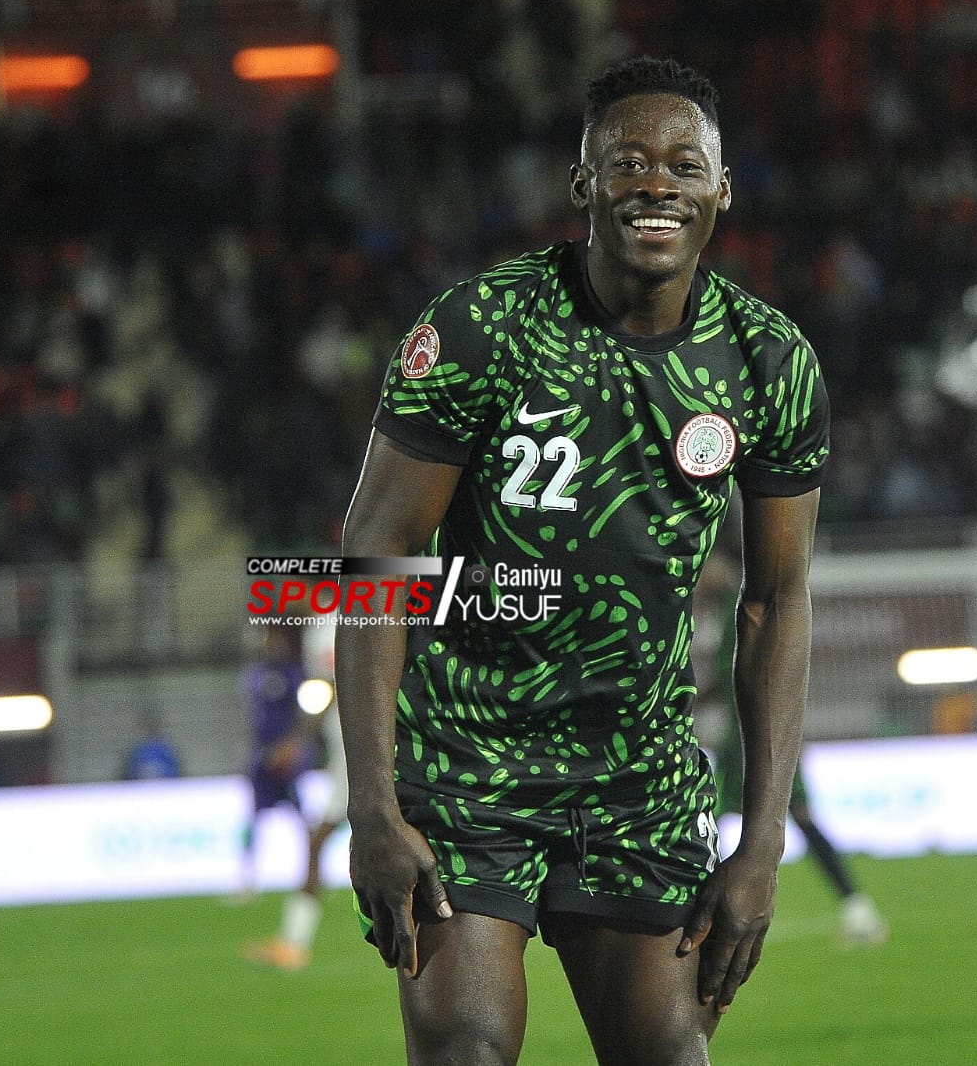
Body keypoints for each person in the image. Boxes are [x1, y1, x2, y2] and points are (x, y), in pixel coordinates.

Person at [337, 56, 830, 1065]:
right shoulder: (479, 327)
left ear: (721, 190)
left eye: (684, 165)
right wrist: (373, 806)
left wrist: (762, 844)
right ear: (583, 184)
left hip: (638, 776)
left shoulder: (768, 361)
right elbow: (377, 554)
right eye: (628, 161)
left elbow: (776, 600)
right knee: (468, 1048)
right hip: (468, 762)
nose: (656, 184)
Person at [244, 622, 349, 970]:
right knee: (319, 842)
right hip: (346, 755)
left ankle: (293, 944)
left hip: (357, 756)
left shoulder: (331, 625)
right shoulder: (322, 626)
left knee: (319, 842)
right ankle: (292, 943)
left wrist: (296, 740)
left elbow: (334, 685)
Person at [234, 626, 313, 903]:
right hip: (263, 757)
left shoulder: (291, 674)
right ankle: (247, 879)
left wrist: (291, 747)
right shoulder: (254, 675)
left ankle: (310, 874)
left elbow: (303, 713)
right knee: (253, 818)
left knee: (303, 818)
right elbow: (252, 718)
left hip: (286, 759)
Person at [788, 762, 889, 948]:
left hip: (767, 759)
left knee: (804, 821)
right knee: (805, 824)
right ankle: (858, 909)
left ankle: (858, 910)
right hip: (746, 757)